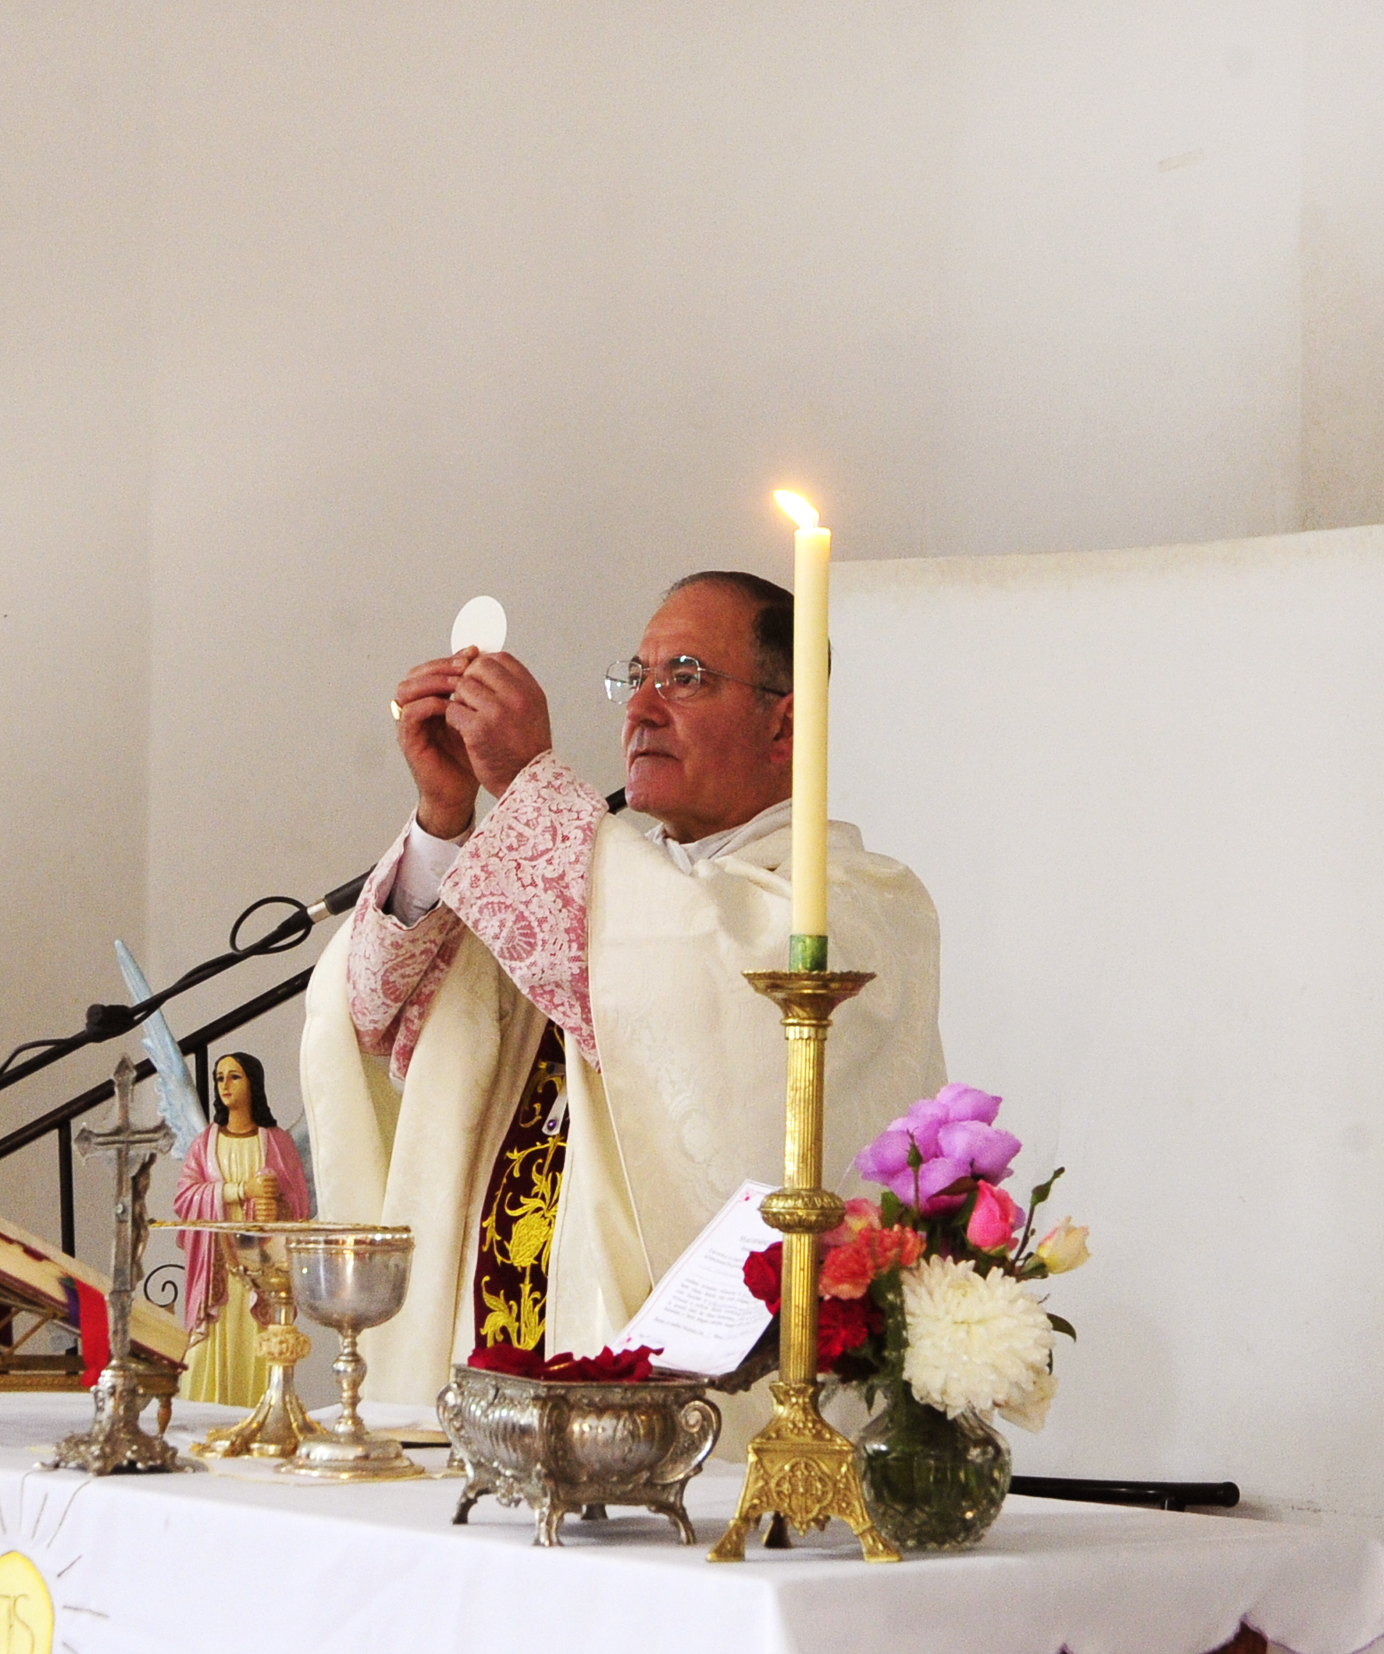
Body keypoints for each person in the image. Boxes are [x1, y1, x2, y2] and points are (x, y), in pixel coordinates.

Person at [298, 571, 945, 1404]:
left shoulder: (860, 904)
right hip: (479, 1386)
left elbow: (702, 998)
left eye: (685, 678)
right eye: (635, 678)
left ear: (786, 726)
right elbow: (375, 1011)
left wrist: (531, 783)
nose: (640, 709)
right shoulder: (584, 890)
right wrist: (444, 821)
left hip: (674, 1424)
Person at [171, 1052, 312, 1406]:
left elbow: (299, 1207)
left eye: (234, 1077)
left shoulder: (276, 1141)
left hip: (261, 1264)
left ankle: (265, 1413)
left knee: (261, 1340)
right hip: (217, 1263)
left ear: (253, 1083)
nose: (225, 1086)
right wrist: (238, 1191)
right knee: (206, 1347)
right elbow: (185, 1198)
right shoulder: (205, 1143)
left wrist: (276, 1206)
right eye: (220, 1078)